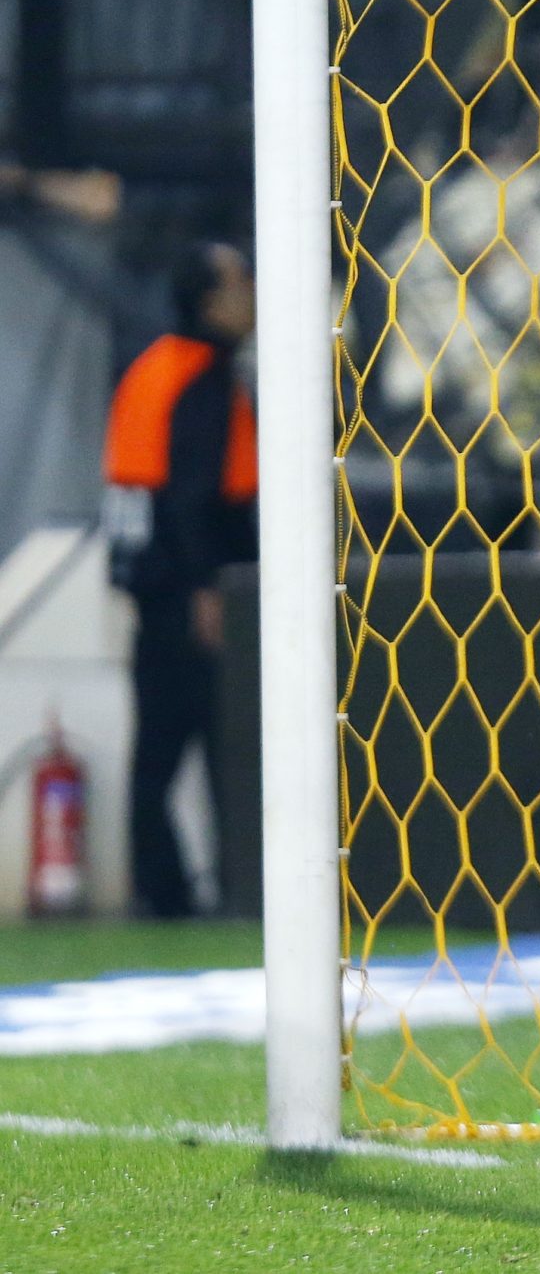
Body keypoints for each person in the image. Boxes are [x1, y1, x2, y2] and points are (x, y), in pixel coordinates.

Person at [101, 242, 257, 918]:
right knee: (223, 746)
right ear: (211, 300)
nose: (254, 294)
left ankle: (161, 887)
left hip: (152, 586)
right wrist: (208, 592)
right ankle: (222, 887)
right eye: (242, 281)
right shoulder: (201, 377)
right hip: (190, 592)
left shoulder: (157, 365)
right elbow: (190, 499)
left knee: (158, 749)